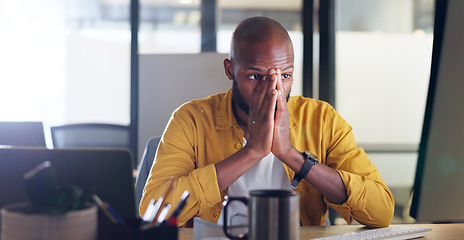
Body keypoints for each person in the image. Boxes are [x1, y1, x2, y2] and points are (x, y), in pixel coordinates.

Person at [140, 16, 394, 228]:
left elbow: (381, 211)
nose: (273, 89)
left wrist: (291, 155)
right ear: (230, 70)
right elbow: (153, 215)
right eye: (255, 76)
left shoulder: (322, 119)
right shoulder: (191, 119)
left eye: (285, 75)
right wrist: (252, 152)